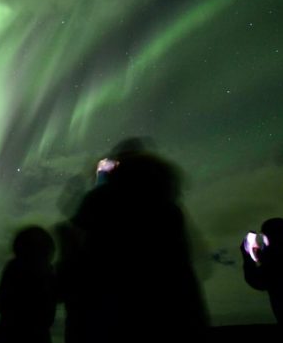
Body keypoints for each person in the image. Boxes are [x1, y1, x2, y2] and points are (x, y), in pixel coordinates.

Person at [67, 138, 208, 343]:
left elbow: (79, 240)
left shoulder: (101, 199)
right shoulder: (169, 207)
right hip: (175, 307)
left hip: (113, 308)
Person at [0, 226, 57, 343]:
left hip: (8, 332)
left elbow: (2, 303)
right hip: (38, 334)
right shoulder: (47, 273)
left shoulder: (12, 268)